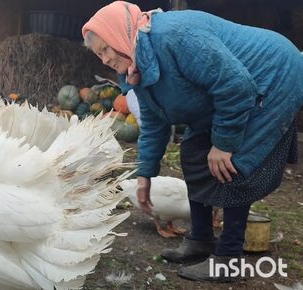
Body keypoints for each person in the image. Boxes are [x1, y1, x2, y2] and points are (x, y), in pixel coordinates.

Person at [82, 1, 303, 282]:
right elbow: (153, 121)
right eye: (98, 54)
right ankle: (201, 238)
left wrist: (223, 145)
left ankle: (228, 259)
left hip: (272, 75)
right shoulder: (136, 66)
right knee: (193, 151)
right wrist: (145, 174)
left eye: (105, 49)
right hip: (232, 90)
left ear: (117, 35)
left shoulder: (175, 36)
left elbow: (236, 86)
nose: (104, 59)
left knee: (232, 164)